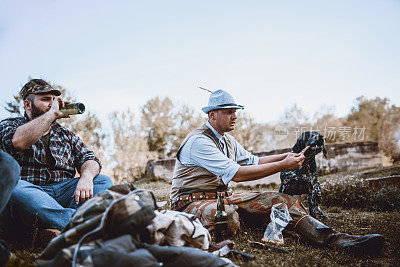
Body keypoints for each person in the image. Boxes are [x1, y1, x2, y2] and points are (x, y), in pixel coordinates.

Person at [170, 89, 384, 253]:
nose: (234, 116)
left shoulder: (228, 140)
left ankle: (338, 240)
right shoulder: (199, 141)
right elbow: (238, 174)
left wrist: (287, 155)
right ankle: (253, 220)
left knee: (281, 201)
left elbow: (254, 161)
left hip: (223, 197)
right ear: (212, 115)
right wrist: (283, 166)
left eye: (235, 111)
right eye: (228, 112)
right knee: (228, 217)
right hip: (190, 201)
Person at [0, 79, 113, 244]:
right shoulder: (10, 125)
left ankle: (60, 228)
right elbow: (18, 142)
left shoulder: (65, 134)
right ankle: (83, 227)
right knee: (15, 188)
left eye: (54, 101)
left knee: (103, 181)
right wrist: (51, 114)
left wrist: (86, 177)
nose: (52, 104)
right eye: (46, 99)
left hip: (63, 193)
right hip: (30, 196)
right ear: (28, 104)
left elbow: (90, 158)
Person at [0, 151, 20, 266]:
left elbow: (85, 156)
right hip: (27, 188)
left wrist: (86, 176)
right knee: (9, 166)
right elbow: (18, 143)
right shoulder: (10, 132)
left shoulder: (67, 136)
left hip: (63, 190)